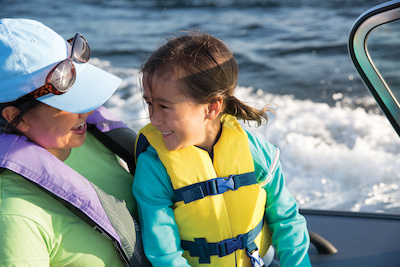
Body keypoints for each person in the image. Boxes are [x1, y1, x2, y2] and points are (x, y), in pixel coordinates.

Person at [132, 30, 311, 267]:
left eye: (164, 106)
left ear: (212, 108)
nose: (153, 119)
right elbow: (165, 255)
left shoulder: (256, 153)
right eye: (149, 104)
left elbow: (287, 221)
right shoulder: (154, 167)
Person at [0, 18, 150, 266]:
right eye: (70, 104)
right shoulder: (14, 214)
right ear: (15, 117)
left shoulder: (89, 138)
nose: (88, 111)